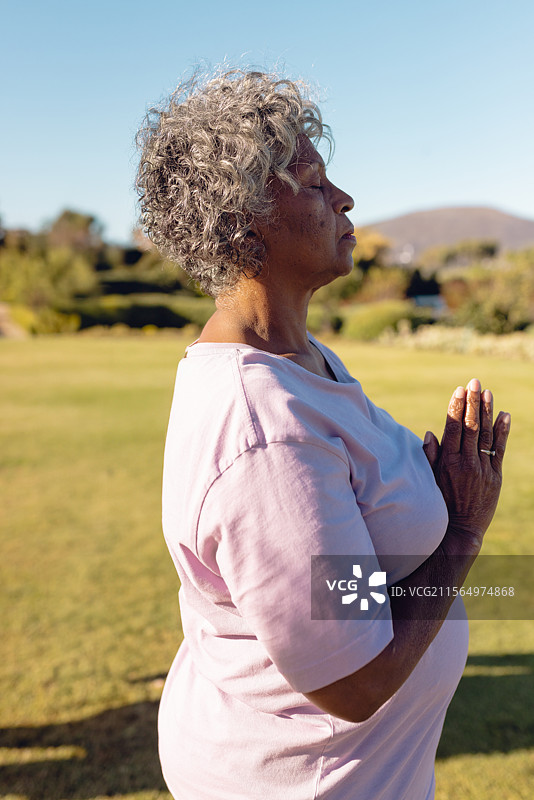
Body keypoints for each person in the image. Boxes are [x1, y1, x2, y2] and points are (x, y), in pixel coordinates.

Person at [136, 68, 510, 800]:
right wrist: (461, 532)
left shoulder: (297, 360)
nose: (344, 200)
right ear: (243, 217)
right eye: (312, 182)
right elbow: (355, 682)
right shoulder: (262, 428)